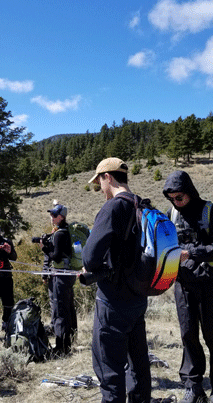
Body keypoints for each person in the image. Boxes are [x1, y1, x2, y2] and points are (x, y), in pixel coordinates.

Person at [82, 157, 151, 403]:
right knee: (139, 366)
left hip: (112, 304)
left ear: (107, 177)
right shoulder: (141, 205)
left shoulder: (112, 208)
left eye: (99, 182)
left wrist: (94, 267)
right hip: (138, 299)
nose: (100, 188)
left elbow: (90, 258)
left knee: (109, 372)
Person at [163, 171, 213, 403]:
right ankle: (193, 386)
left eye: (179, 197)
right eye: (171, 198)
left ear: (189, 192)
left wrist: (190, 252)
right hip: (183, 283)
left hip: (209, 282)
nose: (176, 202)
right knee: (188, 334)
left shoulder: (210, 211)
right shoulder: (171, 214)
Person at [41, 203, 77, 356]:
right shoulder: (64, 231)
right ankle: (67, 343)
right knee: (67, 308)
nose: (51, 218)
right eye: (51, 215)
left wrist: (44, 247)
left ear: (61, 217)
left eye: (54, 215)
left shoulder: (60, 234)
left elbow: (55, 256)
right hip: (67, 275)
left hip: (61, 275)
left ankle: (61, 348)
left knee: (60, 310)